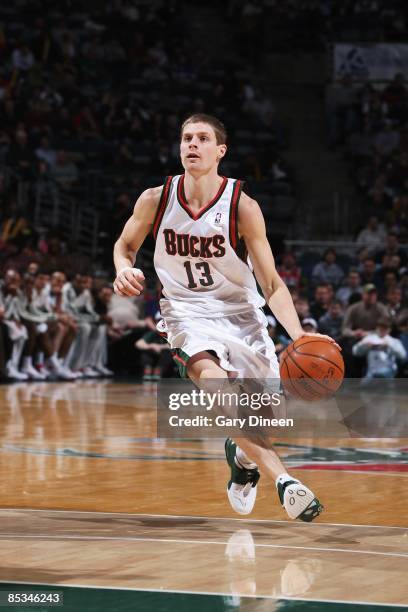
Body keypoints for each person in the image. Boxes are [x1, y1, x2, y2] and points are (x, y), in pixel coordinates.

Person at [113, 113, 338, 522]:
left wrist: (300, 335)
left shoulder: (242, 206)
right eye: (186, 138)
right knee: (220, 392)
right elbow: (125, 245)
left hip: (241, 314)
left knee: (263, 415)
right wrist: (122, 269)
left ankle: (242, 459)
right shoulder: (155, 198)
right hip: (185, 312)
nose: (191, 145)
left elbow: (271, 283)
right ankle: (286, 481)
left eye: (201, 138)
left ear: (220, 151)